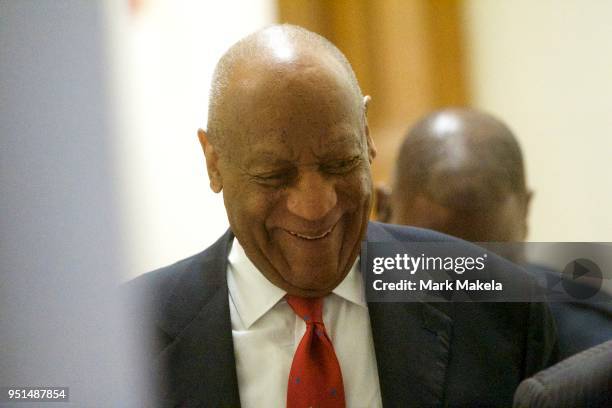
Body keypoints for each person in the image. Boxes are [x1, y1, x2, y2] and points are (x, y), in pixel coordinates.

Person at [127, 26, 557, 407]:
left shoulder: (499, 307)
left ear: (367, 136)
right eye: (275, 175)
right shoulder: (124, 336)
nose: (315, 207)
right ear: (213, 162)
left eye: (339, 163)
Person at [377, 108, 612, 360]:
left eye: (491, 267)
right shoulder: (346, 330)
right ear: (383, 209)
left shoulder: (593, 352)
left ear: (526, 211)